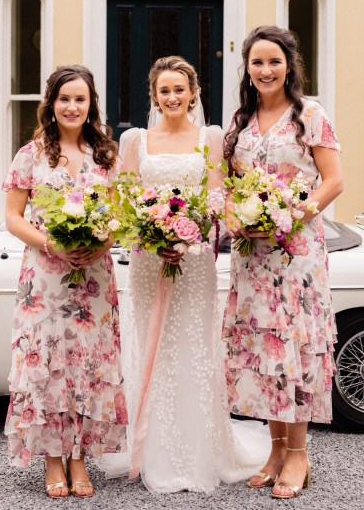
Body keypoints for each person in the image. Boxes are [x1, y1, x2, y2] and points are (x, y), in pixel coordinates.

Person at [111, 55, 270, 493]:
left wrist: (187, 234)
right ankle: (155, 450)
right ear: (153, 95)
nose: (172, 97)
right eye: (164, 90)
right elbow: (122, 200)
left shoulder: (210, 137)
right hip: (148, 259)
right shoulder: (135, 141)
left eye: (180, 89)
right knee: (154, 347)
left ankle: (198, 451)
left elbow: (217, 195)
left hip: (195, 258)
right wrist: (151, 234)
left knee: (192, 345)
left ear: (193, 92)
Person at [223, 26, 343, 499]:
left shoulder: (310, 115)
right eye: (257, 62)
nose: (266, 70)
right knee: (265, 351)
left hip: (297, 255)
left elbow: (333, 181)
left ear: (289, 65)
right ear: (247, 69)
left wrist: (291, 215)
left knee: (293, 349)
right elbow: (231, 186)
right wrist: (239, 216)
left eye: (274, 61)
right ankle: (274, 451)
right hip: (253, 255)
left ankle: (298, 455)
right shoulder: (241, 120)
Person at [3, 65, 128, 498]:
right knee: (48, 363)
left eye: (81, 99)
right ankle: (53, 459)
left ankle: (79, 457)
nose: (72, 106)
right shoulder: (31, 154)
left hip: (93, 277)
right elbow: (13, 218)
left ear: (91, 104)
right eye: (64, 99)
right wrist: (51, 245)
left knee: (86, 365)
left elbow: (119, 215)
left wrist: (103, 243)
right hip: (46, 279)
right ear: (51, 104)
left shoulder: (105, 155)